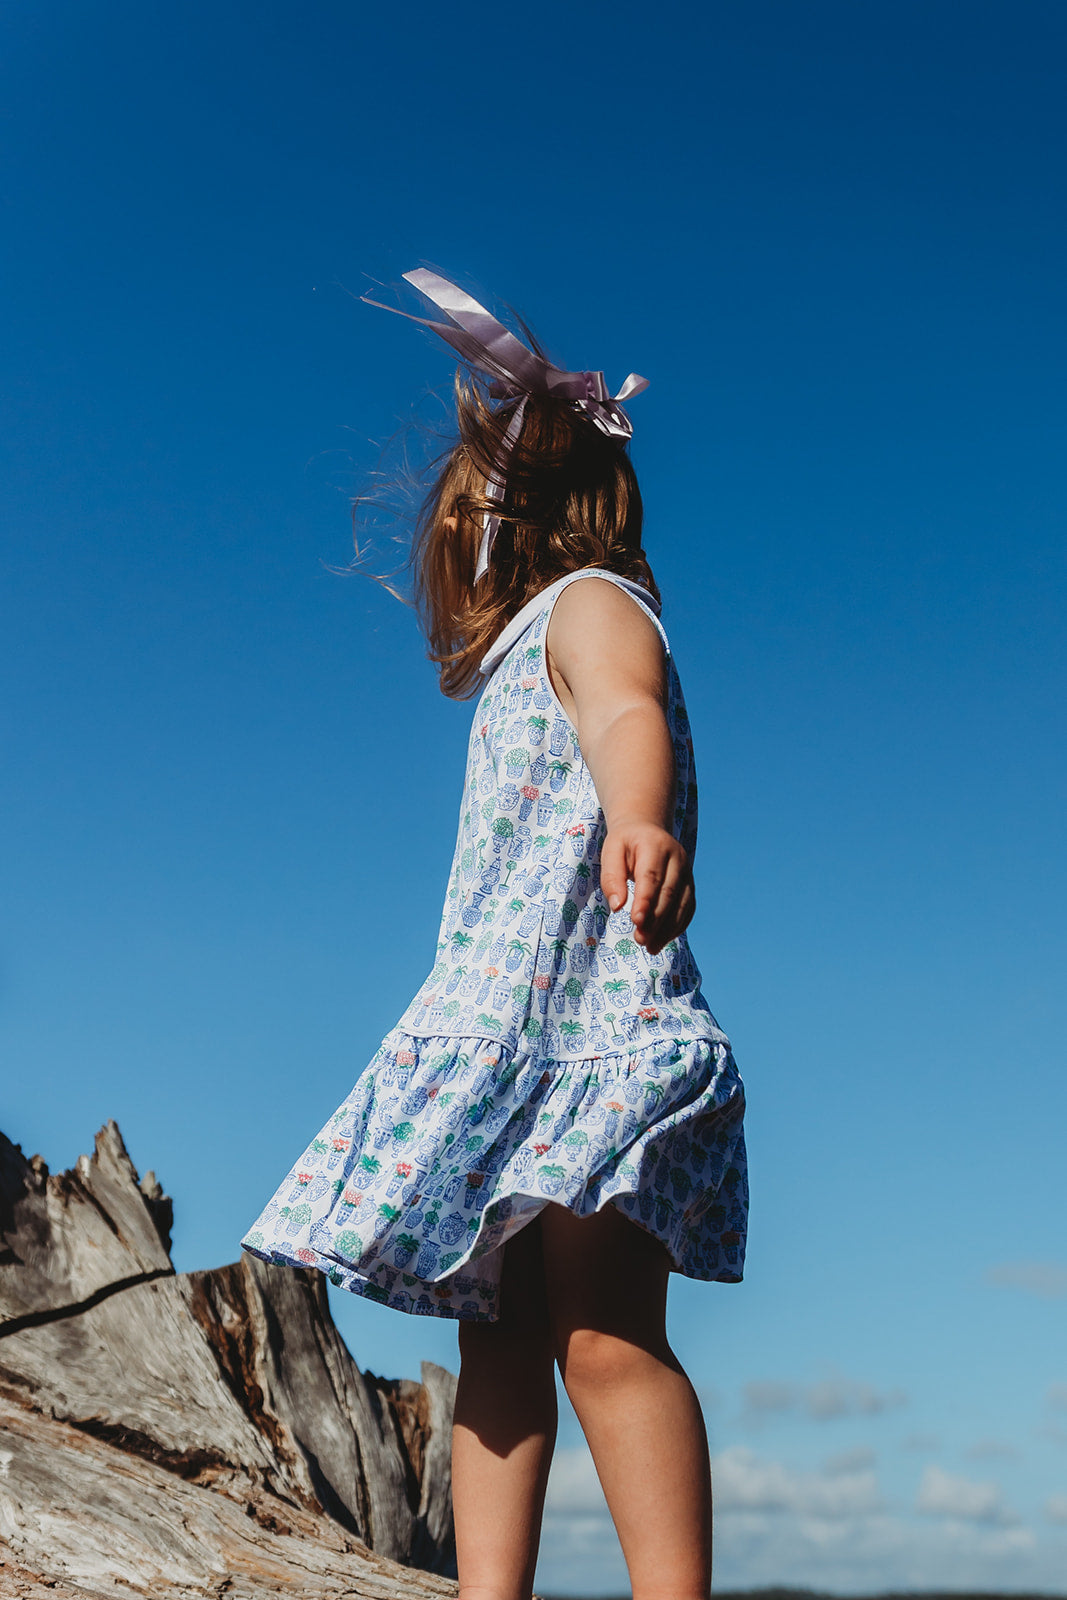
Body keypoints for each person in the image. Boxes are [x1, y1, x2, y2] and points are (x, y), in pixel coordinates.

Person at [241, 269, 748, 1600]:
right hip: (511, 1050)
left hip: (591, 1036)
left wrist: (640, 815)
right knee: (504, 1346)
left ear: (503, 528)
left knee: (605, 1336)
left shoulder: (591, 604)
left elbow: (629, 710)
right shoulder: (534, 635)